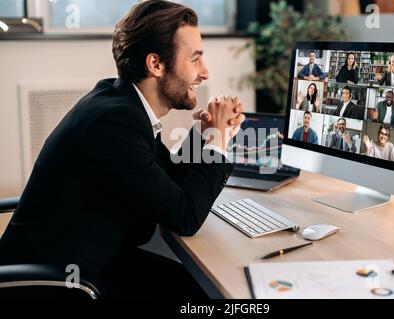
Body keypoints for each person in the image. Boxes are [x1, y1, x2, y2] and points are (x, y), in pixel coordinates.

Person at [0, 0, 245, 300]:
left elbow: (166, 179)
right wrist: (218, 142)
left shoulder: (121, 102)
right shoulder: (115, 122)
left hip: (93, 261)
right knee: (209, 293)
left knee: (200, 288)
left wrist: (204, 135)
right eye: (195, 59)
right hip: (55, 283)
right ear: (155, 64)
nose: (204, 72)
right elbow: (184, 216)